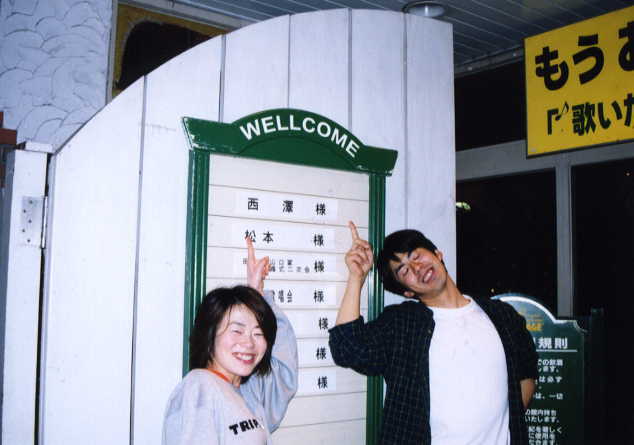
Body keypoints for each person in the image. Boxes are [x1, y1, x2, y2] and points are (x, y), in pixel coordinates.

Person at [329, 222, 538, 445]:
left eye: (416, 255)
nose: (417, 268)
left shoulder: (501, 315)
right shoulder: (403, 324)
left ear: (438, 254)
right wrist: (357, 278)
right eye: (404, 270)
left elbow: (527, 373)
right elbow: (347, 349)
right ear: (407, 292)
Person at [162, 237, 298, 444]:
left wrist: (257, 295)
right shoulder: (198, 388)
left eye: (258, 333)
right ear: (209, 335)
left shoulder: (247, 390)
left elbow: (284, 371)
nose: (249, 343)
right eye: (237, 330)